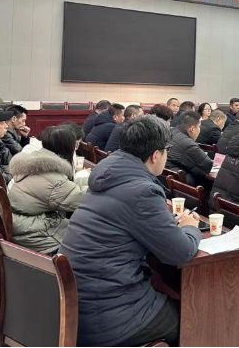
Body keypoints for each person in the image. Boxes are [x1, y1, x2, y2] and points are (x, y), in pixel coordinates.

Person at [59, 116, 201, 347]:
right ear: (155, 155)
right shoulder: (142, 190)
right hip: (109, 317)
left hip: (79, 306)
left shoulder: (108, 176)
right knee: (196, 317)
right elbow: (180, 252)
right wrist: (189, 227)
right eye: (166, 151)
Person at [8, 125, 87, 254]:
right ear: (66, 147)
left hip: (25, 224)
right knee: (95, 239)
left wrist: (91, 180)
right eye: (75, 145)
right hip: (39, 234)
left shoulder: (36, 163)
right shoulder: (52, 178)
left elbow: (68, 188)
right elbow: (79, 200)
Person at [166, 111, 214, 185]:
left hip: (166, 180)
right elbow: (207, 166)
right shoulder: (188, 144)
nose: (200, 129)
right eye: (199, 126)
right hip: (183, 186)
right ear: (192, 129)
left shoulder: (170, 131)